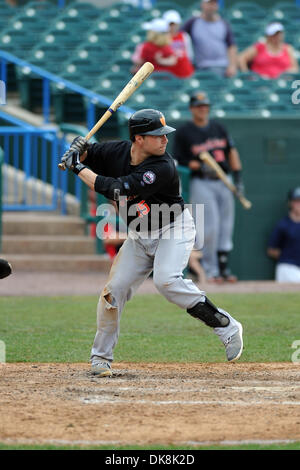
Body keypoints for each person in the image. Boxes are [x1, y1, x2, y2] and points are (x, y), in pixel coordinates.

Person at [60, 108, 244, 377]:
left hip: (173, 228)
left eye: (164, 134)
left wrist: (76, 165)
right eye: (156, 135)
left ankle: (226, 325)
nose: (164, 140)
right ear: (138, 139)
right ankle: (100, 358)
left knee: (166, 281)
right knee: (114, 291)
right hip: (139, 234)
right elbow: (91, 153)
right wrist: (79, 149)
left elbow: (115, 188)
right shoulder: (117, 151)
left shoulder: (163, 166)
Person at [173, 92, 244, 283]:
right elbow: (178, 160)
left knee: (226, 225)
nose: (203, 108)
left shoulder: (218, 127)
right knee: (208, 226)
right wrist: (197, 164)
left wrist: (238, 179)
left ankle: (223, 268)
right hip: (201, 181)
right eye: (199, 106)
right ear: (191, 108)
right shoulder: (184, 132)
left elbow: (232, 152)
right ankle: (208, 269)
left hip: (223, 180)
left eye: (205, 105)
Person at [181, 0, 238, 77]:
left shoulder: (224, 24)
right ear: (202, 5)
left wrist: (232, 66)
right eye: (209, 3)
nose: (211, 6)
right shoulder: (193, 22)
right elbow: (178, 37)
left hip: (223, 68)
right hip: (201, 68)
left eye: (214, 3)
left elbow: (231, 46)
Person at [267, 187, 300, 283]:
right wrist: (289, 255)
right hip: (288, 267)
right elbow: (271, 250)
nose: (298, 204)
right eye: (296, 201)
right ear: (290, 203)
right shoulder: (283, 225)